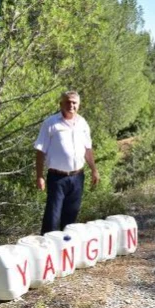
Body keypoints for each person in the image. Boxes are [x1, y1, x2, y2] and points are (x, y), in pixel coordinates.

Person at [34, 90, 100, 234]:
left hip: (77, 177)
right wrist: (39, 176)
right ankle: (48, 250)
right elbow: (40, 150)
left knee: (71, 218)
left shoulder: (83, 123)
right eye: (68, 102)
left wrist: (94, 170)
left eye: (74, 102)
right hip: (57, 178)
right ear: (61, 104)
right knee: (52, 217)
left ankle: (65, 249)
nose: (71, 105)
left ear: (79, 105)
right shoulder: (50, 123)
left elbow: (88, 149)